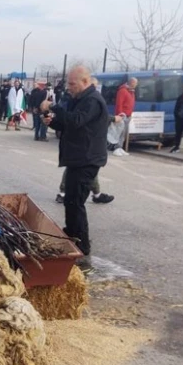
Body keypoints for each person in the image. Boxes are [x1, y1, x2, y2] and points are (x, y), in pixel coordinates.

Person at [44, 66, 110, 273]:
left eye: (72, 84)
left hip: (87, 159)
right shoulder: (80, 99)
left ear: (85, 81)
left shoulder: (92, 101)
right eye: (68, 83)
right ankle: (72, 234)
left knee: (76, 202)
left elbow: (77, 120)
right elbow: (69, 125)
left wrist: (54, 108)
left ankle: (82, 249)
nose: (69, 88)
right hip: (78, 158)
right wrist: (53, 121)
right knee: (71, 201)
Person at [114, 77, 137, 149]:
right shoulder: (123, 91)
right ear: (132, 82)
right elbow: (119, 104)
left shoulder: (131, 91)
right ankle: (117, 147)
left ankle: (120, 147)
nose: (136, 84)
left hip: (128, 115)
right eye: (135, 83)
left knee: (123, 133)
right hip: (122, 116)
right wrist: (120, 115)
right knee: (120, 132)